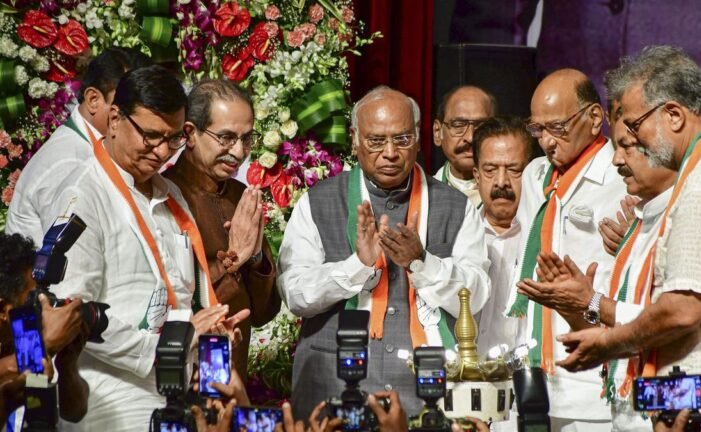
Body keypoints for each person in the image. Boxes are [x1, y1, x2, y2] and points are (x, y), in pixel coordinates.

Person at [42, 66, 247, 431]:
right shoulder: (83, 197)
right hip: (112, 398)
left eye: (173, 139)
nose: (162, 151)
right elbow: (72, 313)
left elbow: (180, 298)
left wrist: (210, 332)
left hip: (177, 388)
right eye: (151, 136)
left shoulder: (170, 194)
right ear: (115, 119)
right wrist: (175, 342)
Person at [278, 86, 491, 420]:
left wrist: (423, 263)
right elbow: (295, 294)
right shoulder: (317, 202)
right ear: (354, 139)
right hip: (331, 385)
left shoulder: (456, 206)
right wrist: (357, 265)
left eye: (402, 139)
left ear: (418, 138)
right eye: (376, 141)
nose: (390, 153)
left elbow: (475, 296)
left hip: (426, 392)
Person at [555, 47, 701, 396]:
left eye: (636, 127)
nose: (633, 142)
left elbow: (683, 310)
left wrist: (610, 343)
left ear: (674, 115)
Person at [517, 95, 678, 430]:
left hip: (661, 395)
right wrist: (580, 306)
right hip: (612, 388)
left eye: (628, 146)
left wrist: (592, 302)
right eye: (537, 129)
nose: (617, 159)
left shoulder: (683, 212)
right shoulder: (535, 176)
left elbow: (676, 316)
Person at [504, 68, 626, 431]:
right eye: (537, 129)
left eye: (557, 127)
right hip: (532, 370)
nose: (546, 141)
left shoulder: (622, 177)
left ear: (595, 118)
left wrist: (632, 241)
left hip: (590, 377)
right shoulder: (534, 176)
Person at [164, 79, 280, 379]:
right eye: (226, 138)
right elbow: (166, 302)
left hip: (233, 374)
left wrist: (255, 257)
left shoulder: (242, 196)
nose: (239, 152)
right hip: (180, 369)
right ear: (190, 133)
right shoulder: (162, 196)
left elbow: (264, 312)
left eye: (247, 139)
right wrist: (233, 259)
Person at [6, 47, 152, 245]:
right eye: (127, 110)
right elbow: (69, 253)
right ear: (93, 100)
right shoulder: (69, 163)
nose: (139, 121)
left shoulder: (92, 144)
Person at [0, 232, 90, 430]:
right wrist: (44, 345)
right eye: (32, 298)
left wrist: (67, 366)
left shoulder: (18, 341)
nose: (40, 306)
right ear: (3, 310)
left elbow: (74, 412)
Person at [469, 116, 532, 356]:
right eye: (490, 170)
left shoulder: (545, 238)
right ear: (476, 176)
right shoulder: (458, 233)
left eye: (514, 170)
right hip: (466, 371)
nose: (502, 182)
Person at [433, 85, 497, 207]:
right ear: (437, 132)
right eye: (458, 125)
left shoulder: (517, 194)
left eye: (481, 126)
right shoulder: (424, 198)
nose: (470, 137)